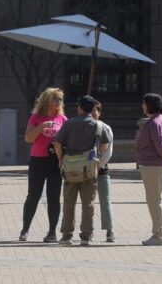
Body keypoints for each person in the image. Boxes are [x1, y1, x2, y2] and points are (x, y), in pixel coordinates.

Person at [54, 95, 110, 246]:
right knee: (88, 203)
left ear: (79, 107)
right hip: (89, 170)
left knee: (68, 202)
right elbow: (104, 146)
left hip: (71, 168)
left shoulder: (69, 123)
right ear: (93, 109)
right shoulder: (98, 126)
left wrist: (61, 159)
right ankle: (86, 236)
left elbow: (57, 143)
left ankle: (67, 236)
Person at [19, 87, 67, 243]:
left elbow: (68, 141)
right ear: (47, 100)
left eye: (61, 99)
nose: (59, 102)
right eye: (56, 98)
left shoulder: (63, 119)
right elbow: (28, 138)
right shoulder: (36, 117)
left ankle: (52, 232)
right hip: (38, 161)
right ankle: (25, 229)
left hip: (55, 162)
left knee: (54, 198)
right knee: (33, 195)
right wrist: (41, 127)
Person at [136, 93, 162, 246]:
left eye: (144, 103)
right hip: (154, 165)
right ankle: (160, 233)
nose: (142, 106)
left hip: (152, 165)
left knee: (154, 201)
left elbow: (160, 144)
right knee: (155, 200)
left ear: (150, 105)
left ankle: (159, 235)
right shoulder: (160, 120)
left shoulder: (154, 122)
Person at [91, 100, 115, 242]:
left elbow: (108, 151)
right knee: (88, 202)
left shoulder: (106, 128)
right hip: (85, 169)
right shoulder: (84, 126)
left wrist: (99, 165)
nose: (93, 113)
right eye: (91, 110)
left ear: (99, 112)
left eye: (96, 110)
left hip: (102, 169)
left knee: (105, 200)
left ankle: (109, 230)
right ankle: (89, 231)